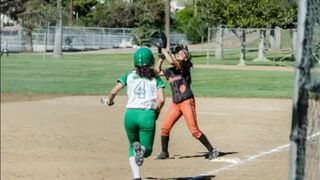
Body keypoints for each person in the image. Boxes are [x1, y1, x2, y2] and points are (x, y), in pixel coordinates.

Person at [103, 47, 165, 180]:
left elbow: (114, 91)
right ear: (151, 62)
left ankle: (136, 177)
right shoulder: (156, 79)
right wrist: (157, 111)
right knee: (147, 150)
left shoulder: (128, 75)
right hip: (146, 115)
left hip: (130, 114)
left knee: (132, 146)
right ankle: (141, 150)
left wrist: (109, 101)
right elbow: (161, 99)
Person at [155, 45, 219, 160]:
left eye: (183, 53)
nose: (180, 53)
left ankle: (212, 150)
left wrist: (163, 49)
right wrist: (161, 58)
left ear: (186, 57)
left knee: (194, 130)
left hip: (186, 101)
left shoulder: (185, 65)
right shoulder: (170, 71)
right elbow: (157, 71)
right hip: (176, 104)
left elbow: (171, 61)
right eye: (178, 52)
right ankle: (164, 152)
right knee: (165, 128)